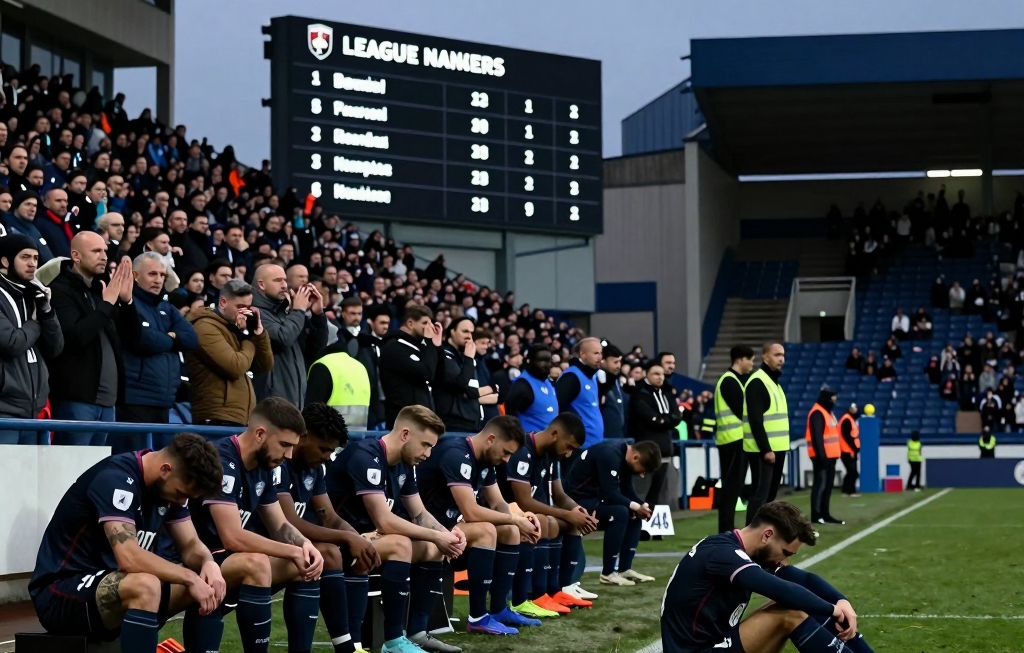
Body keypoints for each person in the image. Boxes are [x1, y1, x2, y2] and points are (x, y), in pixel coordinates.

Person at [29, 434, 229, 653]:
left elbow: (190, 543)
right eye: (181, 494)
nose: (182, 502)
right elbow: (129, 557)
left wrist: (208, 563)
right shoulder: (116, 478)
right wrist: (189, 577)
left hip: (111, 586)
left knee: (209, 584)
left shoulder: (169, 488)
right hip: (60, 592)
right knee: (146, 585)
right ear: (165, 469)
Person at [188, 398, 327, 653]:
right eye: (285, 445)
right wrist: (291, 550)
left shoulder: (264, 464)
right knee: (257, 562)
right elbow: (232, 537)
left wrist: (305, 545)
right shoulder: (221, 459)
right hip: (197, 560)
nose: (289, 456)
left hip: (227, 562)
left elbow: (280, 525)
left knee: (307, 563)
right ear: (260, 434)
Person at [326, 405, 466, 653]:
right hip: (341, 542)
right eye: (425, 444)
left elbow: (419, 513)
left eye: (432, 446)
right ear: (404, 435)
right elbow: (384, 521)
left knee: (434, 548)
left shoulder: (404, 464)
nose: (428, 453)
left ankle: (418, 632)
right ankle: (393, 641)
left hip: (374, 540)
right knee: (402, 544)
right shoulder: (366, 456)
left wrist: (447, 534)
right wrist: (437, 536)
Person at [660, 501, 874, 653]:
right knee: (790, 612)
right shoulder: (722, 554)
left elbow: (805, 580)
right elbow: (782, 590)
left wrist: (840, 600)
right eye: (786, 553)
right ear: (767, 535)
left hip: (717, 644)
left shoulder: (741, 551)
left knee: (807, 601)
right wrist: (833, 610)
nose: (784, 562)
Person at [252, 402, 381, 653]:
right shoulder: (278, 464)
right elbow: (290, 523)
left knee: (357, 554)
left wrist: (358, 541)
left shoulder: (316, 468)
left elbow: (329, 517)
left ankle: (354, 643)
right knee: (326, 554)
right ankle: (345, 647)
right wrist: (347, 537)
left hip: (290, 549)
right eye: (323, 449)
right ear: (303, 436)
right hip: (261, 546)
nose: (326, 456)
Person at [416, 415, 541, 635]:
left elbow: (498, 502)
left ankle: (499, 609)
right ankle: (478, 617)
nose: (506, 460)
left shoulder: (486, 461)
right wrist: (514, 518)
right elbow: (471, 512)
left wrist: (519, 518)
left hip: (451, 531)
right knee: (486, 530)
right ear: (491, 439)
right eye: (506, 452)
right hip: (427, 530)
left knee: (509, 530)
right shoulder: (457, 454)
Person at [496, 412, 600, 618]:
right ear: (554, 434)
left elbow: (559, 494)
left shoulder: (552, 456)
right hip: (504, 510)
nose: (569, 454)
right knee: (544, 521)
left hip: (525, 512)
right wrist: (568, 514)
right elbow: (524, 501)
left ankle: (557, 590)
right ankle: (531, 596)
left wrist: (578, 511)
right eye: (568, 447)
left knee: (570, 523)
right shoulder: (522, 450)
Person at [44, 233, 138, 446]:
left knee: (94, 473)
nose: (104, 256)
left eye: (105, 251)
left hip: (108, 403)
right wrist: (107, 305)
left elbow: (132, 339)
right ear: (76, 256)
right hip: (75, 399)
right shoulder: (59, 290)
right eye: (96, 251)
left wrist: (127, 302)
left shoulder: (101, 290)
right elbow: (77, 336)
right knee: (70, 469)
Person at [117, 252, 198, 453]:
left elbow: (191, 338)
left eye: (162, 275)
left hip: (164, 400)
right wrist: (171, 338)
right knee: (135, 461)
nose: (159, 280)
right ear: (135, 276)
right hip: (135, 399)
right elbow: (142, 340)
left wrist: (162, 338)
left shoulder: (166, 306)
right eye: (153, 274)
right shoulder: (127, 304)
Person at [562, 438, 662, 586]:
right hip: (577, 503)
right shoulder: (609, 454)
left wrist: (642, 506)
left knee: (634, 513)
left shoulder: (624, 457)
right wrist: (635, 506)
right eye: (644, 470)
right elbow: (610, 494)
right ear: (636, 457)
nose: (642, 475)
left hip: (594, 500)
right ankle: (608, 573)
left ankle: (624, 569)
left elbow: (627, 491)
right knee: (620, 513)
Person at [0, 234, 63, 444]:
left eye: (36, 258)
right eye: (25, 257)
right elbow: (12, 343)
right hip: (4, 411)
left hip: (33, 411)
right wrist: (35, 322)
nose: (32, 264)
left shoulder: (32, 296)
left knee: (29, 477)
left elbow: (55, 347)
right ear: (5, 261)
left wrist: (47, 312)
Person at [186, 279, 274, 427]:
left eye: (248, 308)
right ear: (223, 303)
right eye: (240, 307)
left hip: (239, 417)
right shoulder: (204, 327)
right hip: (217, 417)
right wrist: (247, 338)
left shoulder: (232, 328)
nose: (245, 313)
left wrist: (258, 333)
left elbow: (265, 365)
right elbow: (235, 367)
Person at [251, 263, 329, 406]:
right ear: (261, 285)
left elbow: (315, 348)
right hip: (271, 403)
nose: (284, 285)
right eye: (277, 280)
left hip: (294, 400)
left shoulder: (286, 313)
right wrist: (298, 310)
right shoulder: (254, 313)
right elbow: (283, 339)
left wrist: (318, 315)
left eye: (285, 280)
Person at [743, 343, 790, 524]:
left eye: (783, 355)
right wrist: (766, 450)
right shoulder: (757, 382)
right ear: (765, 357)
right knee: (759, 495)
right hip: (764, 451)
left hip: (777, 449)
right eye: (777, 355)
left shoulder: (773, 382)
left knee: (769, 497)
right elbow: (756, 421)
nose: (781, 359)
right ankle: (750, 535)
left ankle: (762, 534)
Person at [378, 304, 443, 428]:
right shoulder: (394, 347)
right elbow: (426, 373)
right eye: (425, 323)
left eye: (430, 324)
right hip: (403, 420)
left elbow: (439, 377)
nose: (429, 328)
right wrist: (430, 343)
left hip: (423, 419)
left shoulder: (423, 349)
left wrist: (437, 346)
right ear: (410, 323)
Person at [628, 360, 682, 508]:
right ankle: (639, 523)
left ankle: (658, 526)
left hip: (665, 449)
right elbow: (648, 418)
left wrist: (664, 420)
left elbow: (676, 417)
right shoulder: (640, 393)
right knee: (643, 491)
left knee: (661, 493)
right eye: (656, 374)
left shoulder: (667, 393)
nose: (660, 377)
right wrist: (664, 420)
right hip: (646, 452)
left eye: (662, 374)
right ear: (647, 374)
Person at [714, 345, 754, 533]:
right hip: (733, 441)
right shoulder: (729, 381)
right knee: (731, 487)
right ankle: (726, 528)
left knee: (734, 487)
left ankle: (727, 526)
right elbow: (743, 411)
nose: (752, 364)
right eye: (750, 359)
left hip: (734, 440)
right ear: (740, 359)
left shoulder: (734, 381)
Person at [434, 316, 498, 432]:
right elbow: (460, 384)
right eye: (465, 331)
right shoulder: (444, 356)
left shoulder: (466, 358)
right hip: (453, 424)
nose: (469, 336)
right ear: (452, 332)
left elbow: (471, 391)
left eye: (471, 333)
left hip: (471, 423)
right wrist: (469, 358)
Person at [556, 337, 605, 449]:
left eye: (601, 353)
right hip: (579, 446)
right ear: (582, 354)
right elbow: (560, 408)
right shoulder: (571, 377)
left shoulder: (592, 376)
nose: (600, 357)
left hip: (594, 443)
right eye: (596, 353)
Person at [805, 386, 843, 525]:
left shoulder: (828, 413)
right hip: (821, 456)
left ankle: (825, 514)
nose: (834, 401)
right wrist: (822, 456)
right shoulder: (818, 413)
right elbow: (817, 436)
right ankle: (816, 514)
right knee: (820, 485)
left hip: (831, 456)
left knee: (828, 486)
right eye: (832, 398)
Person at [503, 344, 559, 433]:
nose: (546, 365)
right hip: (529, 443)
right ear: (530, 361)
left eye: (548, 360)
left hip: (548, 442)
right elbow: (510, 415)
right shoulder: (522, 385)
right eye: (541, 360)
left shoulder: (548, 382)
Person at [5, 190, 55, 264]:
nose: (33, 209)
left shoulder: (33, 228)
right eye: (28, 204)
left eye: (35, 206)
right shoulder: (7, 226)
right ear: (16, 206)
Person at [598, 342, 627, 439]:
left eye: (620, 362)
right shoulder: (597, 382)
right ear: (603, 361)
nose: (619, 366)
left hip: (619, 436)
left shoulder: (617, 381)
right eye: (615, 362)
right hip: (605, 437)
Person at [839, 404, 861, 497]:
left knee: (852, 472)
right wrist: (853, 449)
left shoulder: (850, 419)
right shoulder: (847, 419)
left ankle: (848, 490)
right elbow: (847, 436)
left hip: (850, 450)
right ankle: (848, 491)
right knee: (852, 472)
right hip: (847, 450)